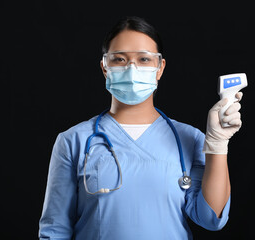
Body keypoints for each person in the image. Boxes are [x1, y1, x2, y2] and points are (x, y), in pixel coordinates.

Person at [39, 16, 243, 240]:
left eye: (144, 59)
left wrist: (217, 144)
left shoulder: (190, 139)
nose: (132, 69)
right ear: (105, 68)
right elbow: (55, 230)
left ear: (160, 67)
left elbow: (211, 218)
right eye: (119, 59)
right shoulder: (73, 141)